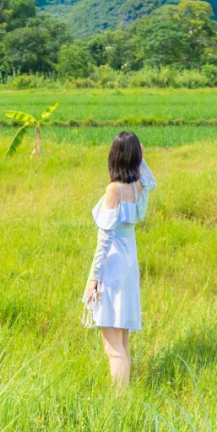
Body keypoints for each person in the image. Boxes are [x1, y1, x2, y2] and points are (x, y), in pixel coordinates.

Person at [83, 131, 156, 389]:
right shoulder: (140, 186)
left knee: (112, 346)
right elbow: (151, 179)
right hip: (128, 262)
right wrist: (142, 159)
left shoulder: (114, 189)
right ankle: (123, 397)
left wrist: (93, 278)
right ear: (134, 158)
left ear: (115, 157)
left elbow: (104, 239)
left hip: (113, 264)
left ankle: (119, 404)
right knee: (122, 340)